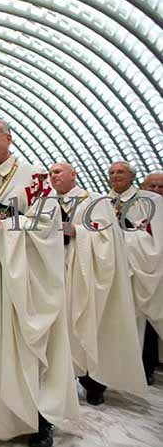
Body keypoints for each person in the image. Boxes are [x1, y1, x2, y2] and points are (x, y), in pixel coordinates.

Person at [0, 120, 77, 447]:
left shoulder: (35, 178)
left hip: (24, 282)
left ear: (8, 138)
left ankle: (39, 421)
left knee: (26, 348)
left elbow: (48, 225)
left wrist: (5, 227)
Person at [49, 163, 146, 405]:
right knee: (60, 329)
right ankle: (63, 378)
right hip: (55, 272)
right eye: (50, 173)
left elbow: (108, 237)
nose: (53, 176)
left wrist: (77, 231)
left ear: (74, 175)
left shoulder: (94, 201)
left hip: (85, 274)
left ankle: (93, 384)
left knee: (89, 324)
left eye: (58, 172)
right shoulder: (47, 203)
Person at [108, 162, 163, 385]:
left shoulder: (150, 201)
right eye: (112, 172)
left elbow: (155, 238)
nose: (116, 176)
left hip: (140, 268)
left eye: (121, 172)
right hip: (112, 269)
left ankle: (142, 369)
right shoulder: (102, 202)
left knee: (142, 323)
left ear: (132, 177)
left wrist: (124, 237)